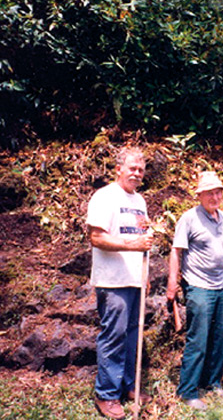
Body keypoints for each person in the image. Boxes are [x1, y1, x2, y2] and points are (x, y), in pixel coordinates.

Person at [86, 147, 154, 420]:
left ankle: (128, 385)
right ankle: (106, 395)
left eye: (141, 170)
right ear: (118, 169)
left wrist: (145, 276)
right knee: (113, 336)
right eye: (132, 169)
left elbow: (143, 242)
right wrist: (132, 244)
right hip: (113, 282)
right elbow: (97, 238)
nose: (137, 174)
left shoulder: (140, 200)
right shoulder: (104, 197)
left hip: (135, 280)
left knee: (132, 336)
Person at [167, 171, 223, 410]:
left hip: (220, 286)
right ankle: (188, 391)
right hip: (197, 286)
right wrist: (172, 283)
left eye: (218, 192)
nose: (214, 197)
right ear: (200, 195)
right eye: (209, 193)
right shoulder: (189, 218)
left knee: (220, 337)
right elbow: (176, 251)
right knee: (198, 339)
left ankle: (213, 384)